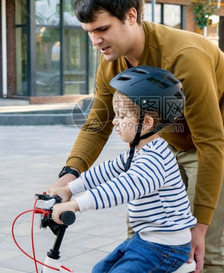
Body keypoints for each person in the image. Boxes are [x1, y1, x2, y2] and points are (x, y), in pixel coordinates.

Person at [49, 0, 224, 273]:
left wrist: (200, 226)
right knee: (142, 238)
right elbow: (97, 123)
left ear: (131, 15)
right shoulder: (111, 60)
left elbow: (210, 143)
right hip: (167, 133)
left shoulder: (185, 57)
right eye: (88, 31)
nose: (95, 40)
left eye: (102, 29)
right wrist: (69, 178)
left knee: (203, 250)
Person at [51, 66, 197, 272]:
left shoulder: (155, 159)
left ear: (146, 123)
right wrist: (70, 188)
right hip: (146, 239)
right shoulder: (138, 151)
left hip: (166, 247)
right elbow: (108, 170)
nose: (114, 121)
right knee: (99, 270)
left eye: (121, 115)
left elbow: (122, 187)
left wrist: (75, 205)